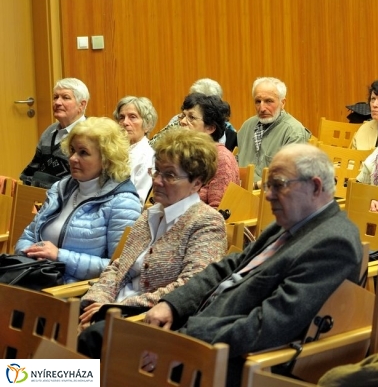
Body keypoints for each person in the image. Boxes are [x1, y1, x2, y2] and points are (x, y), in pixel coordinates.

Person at [141, 144, 362, 387]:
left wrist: (186, 342)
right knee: (96, 339)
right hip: (194, 327)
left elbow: (271, 323)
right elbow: (227, 268)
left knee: (110, 356)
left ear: (315, 187)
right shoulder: (291, 221)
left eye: (278, 185)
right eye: (268, 185)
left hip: (229, 358)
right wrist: (173, 304)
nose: (267, 195)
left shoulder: (334, 242)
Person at [76, 130, 227, 347]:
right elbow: (119, 267)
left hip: (151, 319)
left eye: (170, 175)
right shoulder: (150, 214)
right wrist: (97, 299)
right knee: (51, 315)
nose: (157, 181)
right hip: (112, 309)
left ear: (197, 183)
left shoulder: (206, 222)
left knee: (91, 338)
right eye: (156, 172)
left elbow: (191, 286)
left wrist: (115, 308)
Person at [15, 117, 141, 283]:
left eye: (83, 153)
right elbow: (28, 236)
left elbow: (120, 267)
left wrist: (59, 257)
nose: (73, 158)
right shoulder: (61, 188)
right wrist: (34, 254)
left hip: (74, 292)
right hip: (35, 276)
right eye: (73, 150)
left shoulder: (123, 202)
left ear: (106, 159)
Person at [237, 77, 311, 188]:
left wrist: (255, 186)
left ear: (283, 103)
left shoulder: (293, 132)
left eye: (268, 101)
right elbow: (237, 160)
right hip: (239, 192)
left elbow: (290, 177)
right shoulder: (247, 125)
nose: (262, 108)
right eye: (258, 101)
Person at [21, 78, 89, 189]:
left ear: (81, 105)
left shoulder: (90, 134)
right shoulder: (50, 131)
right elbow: (32, 169)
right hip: (39, 197)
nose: (57, 102)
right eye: (55, 97)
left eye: (65, 97)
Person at [178, 93, 239, 208]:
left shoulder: (221, 159)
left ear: (210, 128)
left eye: (191, 117)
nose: (183, 121)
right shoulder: (184, 155)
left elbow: (218, 211)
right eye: (183, 116)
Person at [149, 78, 238, 151]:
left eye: (192, 117)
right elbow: (152, 148)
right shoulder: (176, 124)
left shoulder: (231, 137)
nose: (183, 121)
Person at [113, 96, 157, 203]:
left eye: (132, 117)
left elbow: (138, 200)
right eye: (121, 117)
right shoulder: (113, 151)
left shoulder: (149, 156)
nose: (125, 122)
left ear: (147, 124)